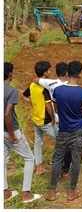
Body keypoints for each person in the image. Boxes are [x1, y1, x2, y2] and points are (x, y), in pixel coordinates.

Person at [45, 61, 82, 202]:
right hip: (78, 130)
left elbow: (56, 107)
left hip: (63, 129)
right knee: (76, 160)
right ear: (80, 73)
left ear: (67, 73)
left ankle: (52, 190)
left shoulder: (58, 91)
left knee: (57, 158)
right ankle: (71, 191)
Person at [4, 62, 41, 203]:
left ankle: (5, 192)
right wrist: (13, 134)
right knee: (29, 158)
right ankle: (26, 194)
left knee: (3, 159)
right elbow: (7, 114)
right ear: (10, 74)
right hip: (11, 131)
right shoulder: (11, 91)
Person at [37, 62, 72, 178]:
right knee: (66, 144)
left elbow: (36, 80)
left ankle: (58, 165)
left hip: (56, 118)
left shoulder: (50, 83)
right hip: (66, 119)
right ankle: (64, 169)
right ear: (67, 73)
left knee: (60, 142)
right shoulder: (69, 85)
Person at [23, 61, 56, 175]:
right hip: (45, 120)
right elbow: (48, 106)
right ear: (45, 73)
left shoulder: (32, 85)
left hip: (36, 118)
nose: (50, 72)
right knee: (61, 138)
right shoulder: (44, 88)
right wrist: (53, 119)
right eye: (49, 70)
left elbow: (25, 96)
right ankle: (57, 163)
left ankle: (39, 167)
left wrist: (34, 104)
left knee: (38, 142)